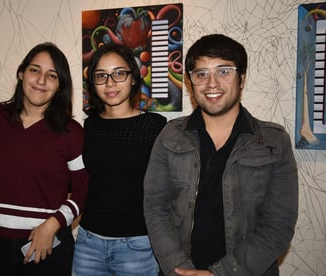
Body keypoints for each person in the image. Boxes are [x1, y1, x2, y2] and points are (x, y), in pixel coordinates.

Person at [143, 34, 298, 276]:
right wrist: (180, 270)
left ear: (242, 78)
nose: (211, 83)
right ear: (190, 82)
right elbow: (155, 209)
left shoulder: (274, 141)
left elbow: (278, 225)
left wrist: (222, 273)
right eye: (201, 73)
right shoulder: (170, 136)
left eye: (224, 71)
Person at [0, 42, 89, 276]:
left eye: (52, 75)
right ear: (21, 73)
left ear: (60, 85)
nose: (41, 80)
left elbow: (84, 190)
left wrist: (52, 225)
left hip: (46, 247)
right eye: (34, 70)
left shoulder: (71, 132)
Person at [72, 43, 167, 275]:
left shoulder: (154, 125)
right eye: (101, 76)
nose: (110, 82)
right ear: (93, 83)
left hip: (137, 245)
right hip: (88, 243)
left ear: (133, 78)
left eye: (119, 73)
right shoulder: (89, 125)